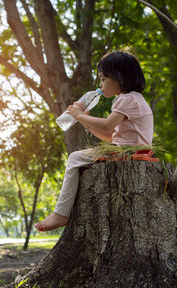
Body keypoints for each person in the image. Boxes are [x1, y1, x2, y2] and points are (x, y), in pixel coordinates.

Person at [35, 49, 153, 232]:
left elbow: (107, 125)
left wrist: (80, 115)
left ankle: (61, 212)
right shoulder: (133, 99)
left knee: (74, 158)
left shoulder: (127, 99)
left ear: (119, 77)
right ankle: (64, 211)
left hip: (129, 152)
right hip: (127, 149)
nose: (101, 84)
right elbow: (111, 135)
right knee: (80, 160)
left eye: (103, 79)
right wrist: (86, 123)